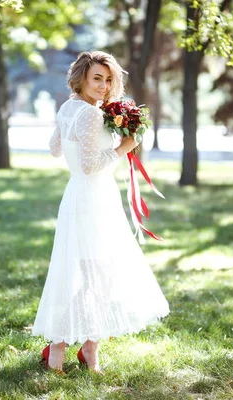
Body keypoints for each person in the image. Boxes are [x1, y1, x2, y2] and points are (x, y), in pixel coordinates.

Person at [31, 51, 170, 373]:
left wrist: (97, 131)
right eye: (97, 78)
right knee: (99, 276)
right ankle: (62, 347)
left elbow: (55, 149)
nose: (104, 86)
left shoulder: (70, 107)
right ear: (81, 78)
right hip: (93, 197)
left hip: (78, 196)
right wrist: (123, 147)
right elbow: (92, 166)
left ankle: (81, 349)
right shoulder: (91, 114)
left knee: (88, 274)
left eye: (109, 80)